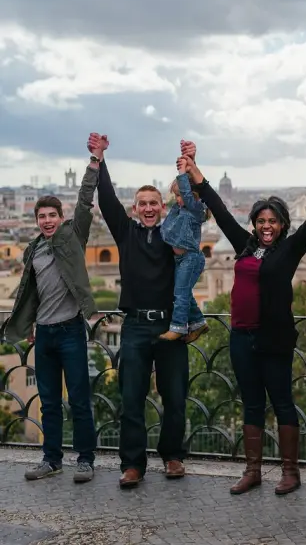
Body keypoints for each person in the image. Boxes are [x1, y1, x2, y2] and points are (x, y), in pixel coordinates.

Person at [183, 149, 306, 497]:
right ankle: (253, 470)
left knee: (283, 402)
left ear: (282, 225)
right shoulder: (243, 246)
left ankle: (290, 473)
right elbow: (220, 209)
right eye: (261, 221)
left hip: (274, 338)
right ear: (255, 224)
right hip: (241, 336)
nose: (266, 226)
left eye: (272, 222)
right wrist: (195, 171)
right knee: (252, 403)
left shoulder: (289, 250)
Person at [90, 134, 190, 489]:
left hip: (169, 325)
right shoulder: (126, 234)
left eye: (153, 203)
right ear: (135, 209)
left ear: (162, 208)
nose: (148, 208)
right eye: (142, 204)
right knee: (131, 398)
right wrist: (100, 158)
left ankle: (173, 455)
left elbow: (192, 208)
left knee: (175, 396)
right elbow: (107, 199)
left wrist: (187, 168)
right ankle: (133, 464)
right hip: (133, 326)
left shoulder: (172, 236)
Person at [4, 139, 100, 483]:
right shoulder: (33, 249)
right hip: (43, 334)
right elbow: (30, 293)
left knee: (78, 401)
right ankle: (52, 460)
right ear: (37, 220)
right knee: (48, 402)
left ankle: (86, 461)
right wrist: (29, 323)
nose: (46, 221)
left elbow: (86, 201)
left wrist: (95, 160)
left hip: (71, 331)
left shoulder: (74, 237)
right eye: (41, 217)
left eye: (52, 216)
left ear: (61, 218)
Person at [158, 155, 209, 342]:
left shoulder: (195, 210)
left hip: (191, 258)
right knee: (183, 291)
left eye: (180, 195)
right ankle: (198, 323)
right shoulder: (180, 211)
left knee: (181, 293)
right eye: (176, 196)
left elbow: (187, 194)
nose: (178, 199)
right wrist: (187, 168)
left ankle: (178, 327)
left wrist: (182, 173)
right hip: (181, 259)